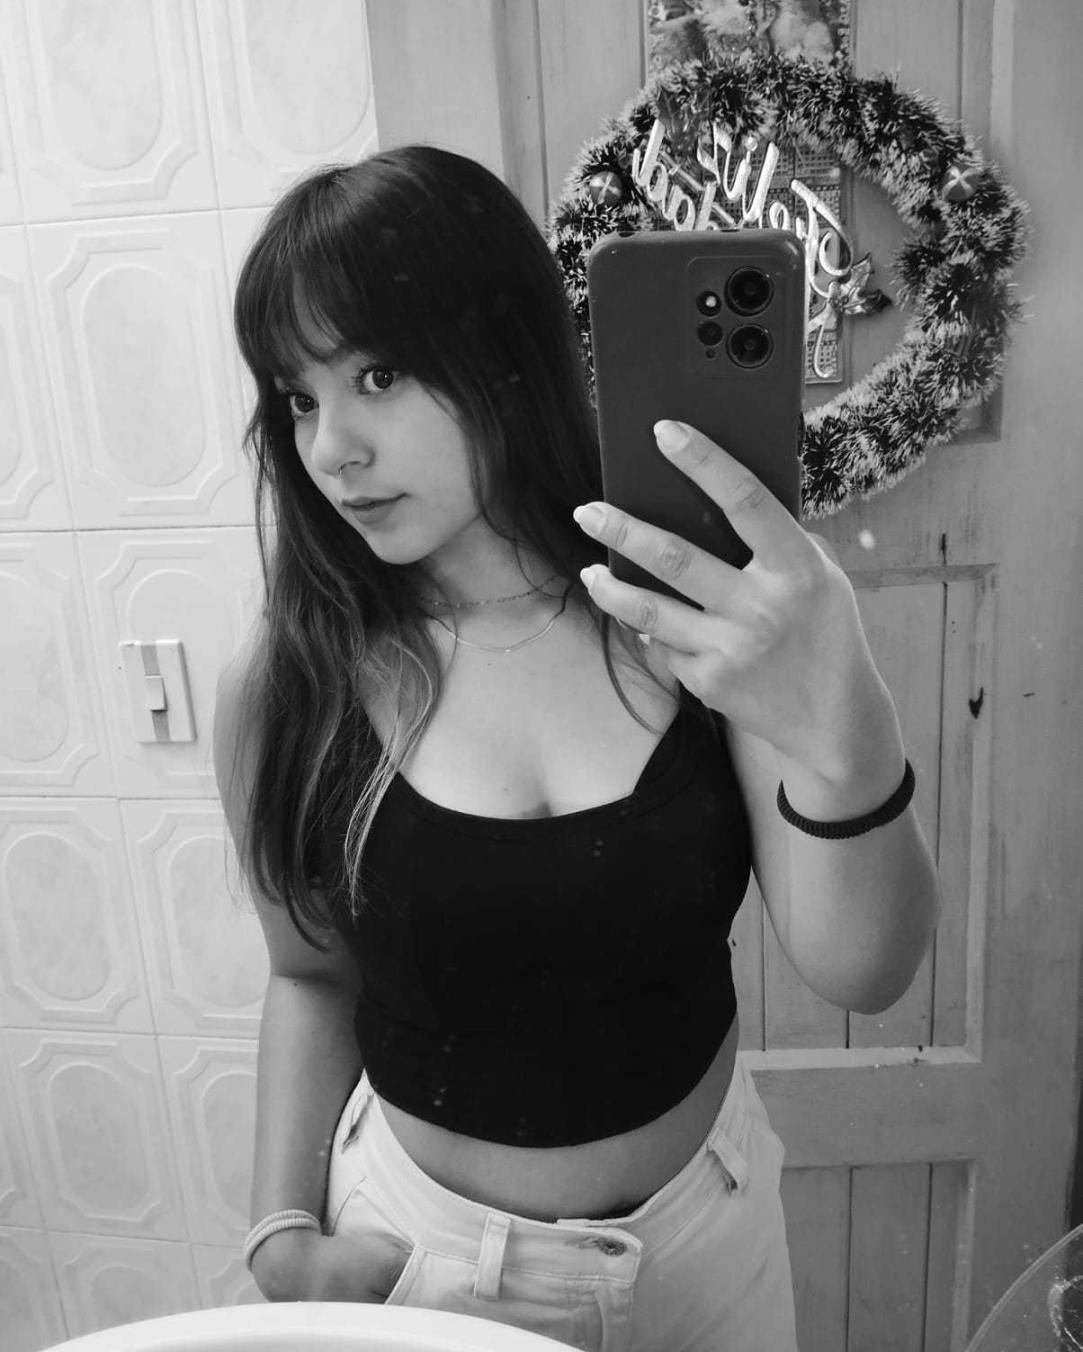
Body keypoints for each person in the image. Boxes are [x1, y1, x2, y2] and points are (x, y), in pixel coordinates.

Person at [213, 144, 939, 1352]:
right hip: (423, 1264)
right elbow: (308, 976)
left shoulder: (690, 618)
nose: (331, 447)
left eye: (379, 375)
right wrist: (279, 1230)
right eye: (298, 396)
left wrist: (844, 712)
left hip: (707, 1247)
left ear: (505, 350)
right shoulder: (292, 683)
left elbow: (865, 969)